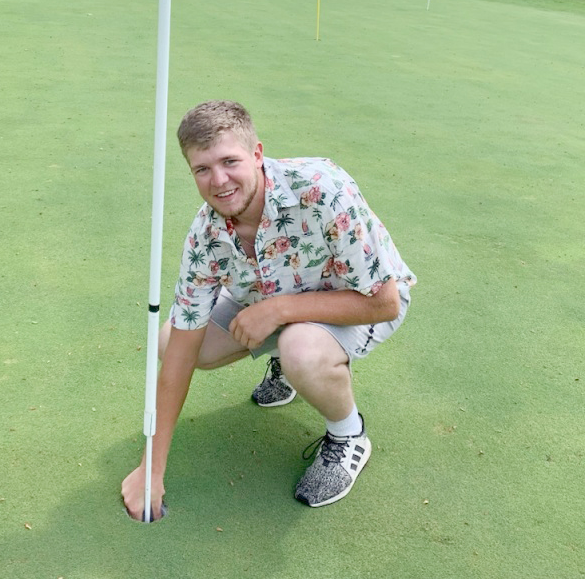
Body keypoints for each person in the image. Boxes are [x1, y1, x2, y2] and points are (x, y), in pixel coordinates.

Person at [122, 101, 416, 519]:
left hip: (358, 301)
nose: (218, 181)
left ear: (257, 154)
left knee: (301, 350)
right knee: (171, 340)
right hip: (266, 302)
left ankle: (348, 435)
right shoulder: (206, 235)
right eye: (202, 169)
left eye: (230, 162)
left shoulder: (322, 188)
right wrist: (152, 464)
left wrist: (278, 310)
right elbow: (184, 347)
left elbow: (383, 302)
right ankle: (285, 352)